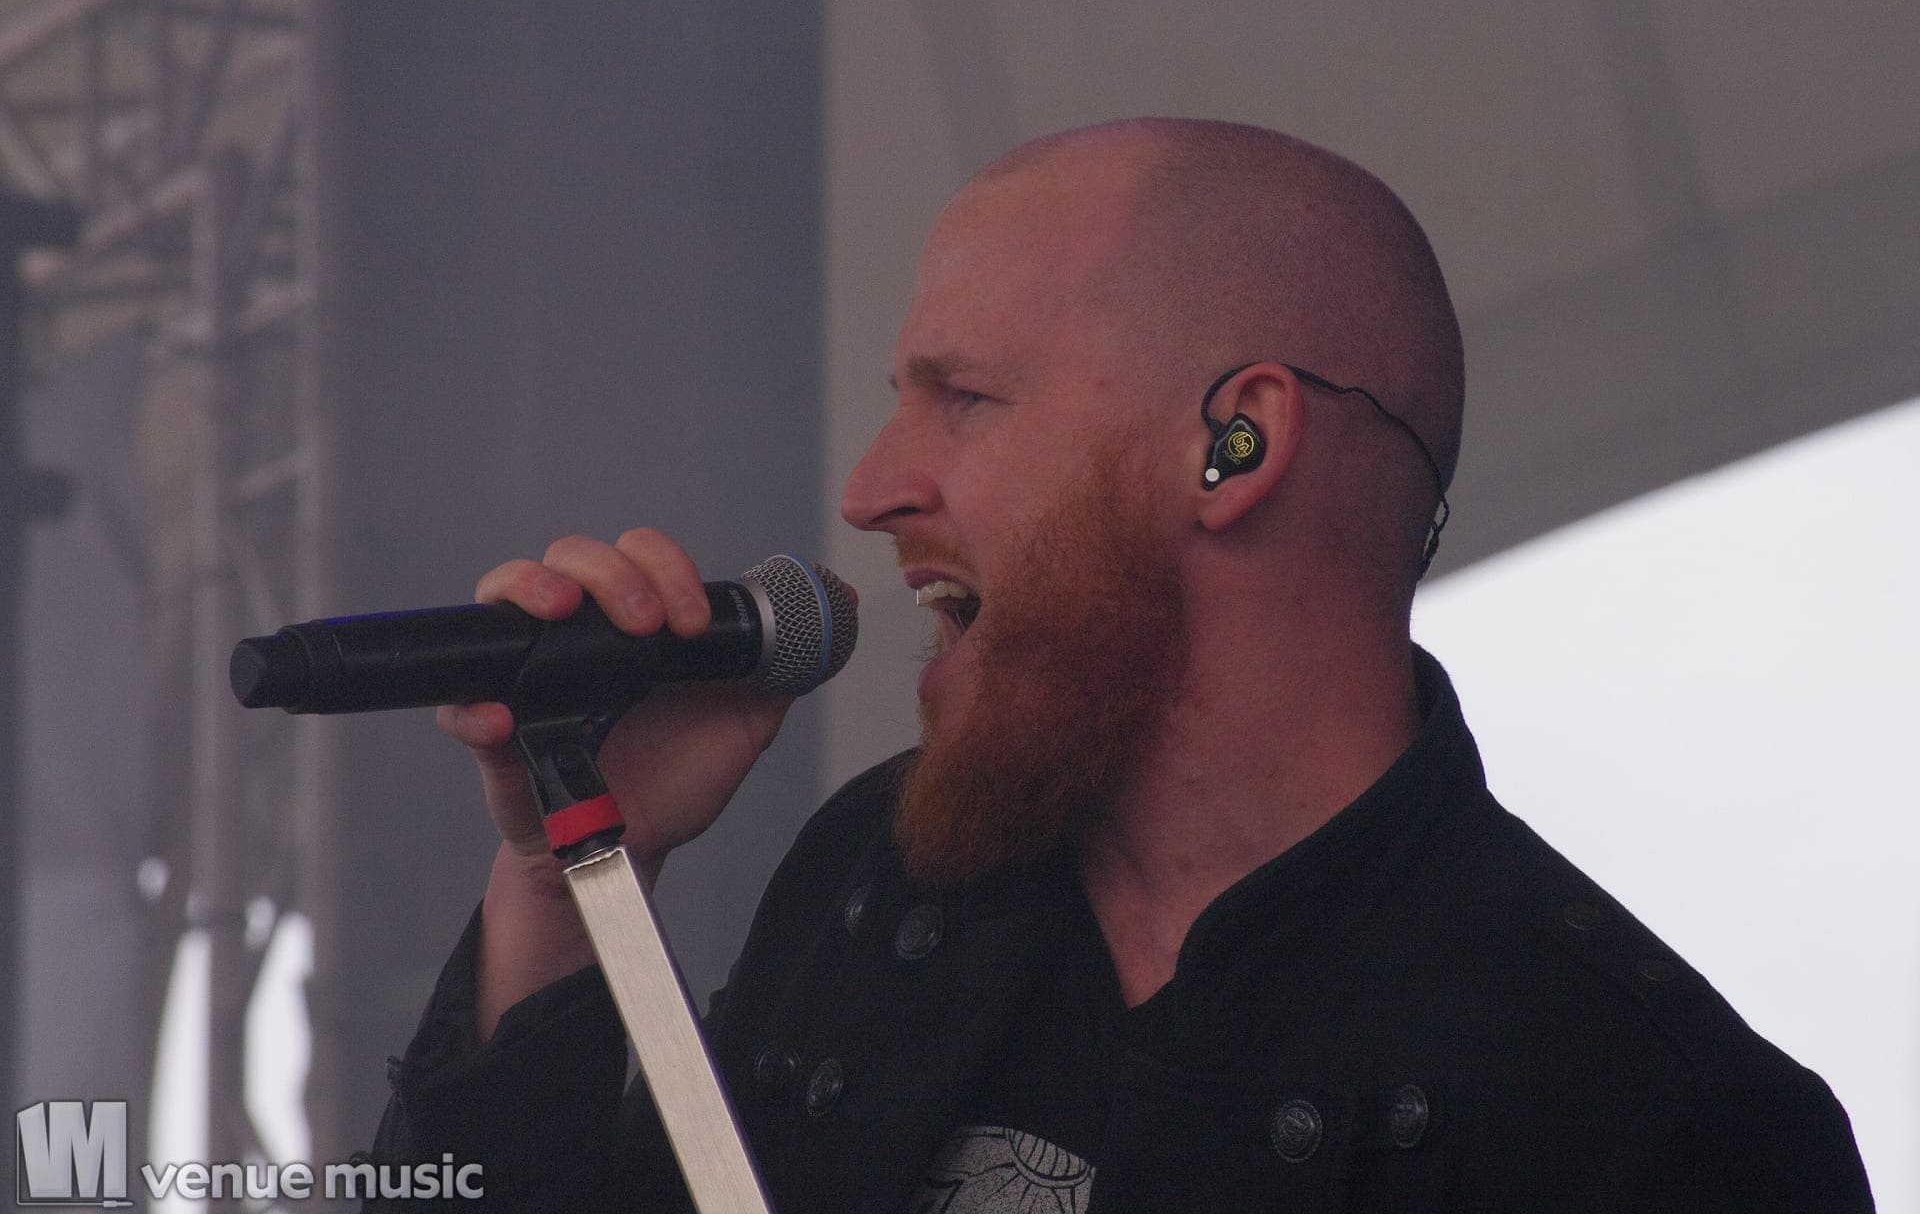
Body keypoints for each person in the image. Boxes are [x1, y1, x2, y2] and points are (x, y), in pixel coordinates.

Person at [365, 119, 1873, 1211]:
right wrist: (570, 873)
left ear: (1236, 445)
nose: (872, 488)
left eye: (964, 399)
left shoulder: (1653, 1117)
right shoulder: (876, 892)